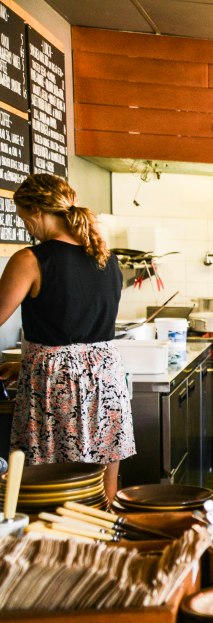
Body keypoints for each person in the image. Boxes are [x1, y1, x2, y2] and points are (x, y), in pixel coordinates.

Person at [0, 174, 134, 502]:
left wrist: (37, 363)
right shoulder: (106, 258)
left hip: (56, 385)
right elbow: (80, 332)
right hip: (106, 380)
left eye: (22, 218)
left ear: (35, 211)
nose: (26, 227)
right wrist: (26, 363)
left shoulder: (31, 260)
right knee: (103, 491)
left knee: (51, 492)